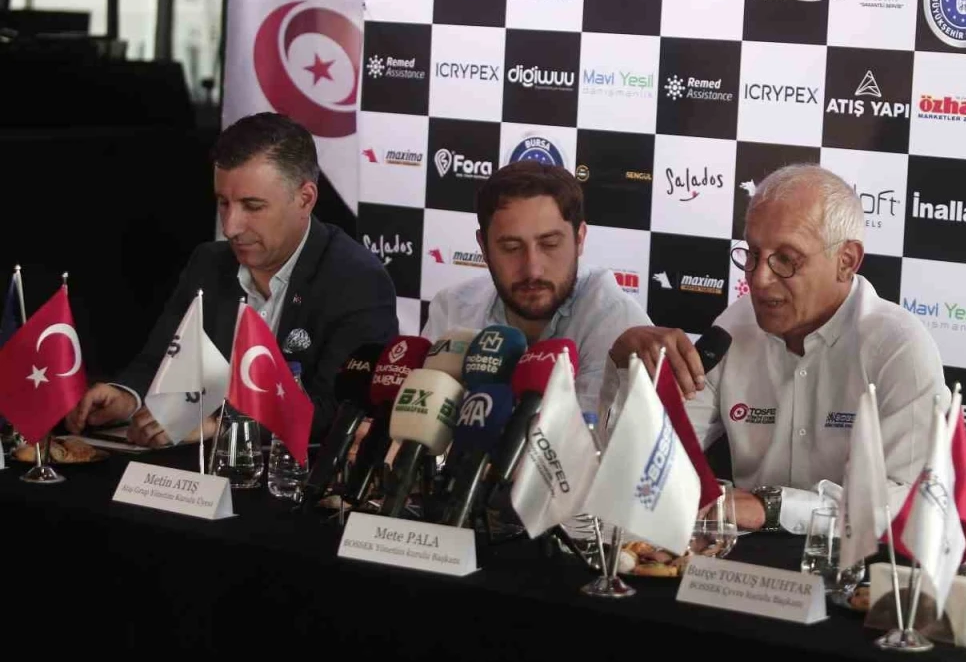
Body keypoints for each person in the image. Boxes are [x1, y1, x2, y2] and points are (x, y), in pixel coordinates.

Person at [607, 164, 946, 533]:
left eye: (786, 259)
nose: (758, 278)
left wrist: (772, 508)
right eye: (752, 253)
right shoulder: (734, 328)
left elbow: (909, 501)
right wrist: (629, 374)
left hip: (856, 561)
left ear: (846, 261)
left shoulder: (899, 346)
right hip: (741, 559)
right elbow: (646, 467)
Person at [67, 112, 399, 447]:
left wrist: (220, 425)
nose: (230, 227)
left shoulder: (358, 281)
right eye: (223, 203)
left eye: (252, 206)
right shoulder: (209, 262)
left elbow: (337, 412)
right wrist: (127, 397)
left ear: (305, 199)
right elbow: (161, 359)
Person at [422, 161, 650, 413]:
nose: (532, 269)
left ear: (579, 239)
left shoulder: (617, 321)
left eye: (549, 244)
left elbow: (589, 435)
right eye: (511, 248)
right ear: (483, 247)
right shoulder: (452, 308)